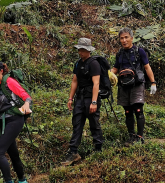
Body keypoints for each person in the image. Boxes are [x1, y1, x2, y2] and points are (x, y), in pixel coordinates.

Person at [61, 37, 104, 166]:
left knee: (94, 123)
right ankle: (73, 152)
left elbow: (96, 83)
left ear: (89, 50)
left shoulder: (94, 64)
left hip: (91, 98)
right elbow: (75, 81)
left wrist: (94, 102)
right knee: (77, 124)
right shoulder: (78, 63)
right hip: (80, 98)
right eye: (79, 49)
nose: (80, 52)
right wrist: (70, 98)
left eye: (83, 50)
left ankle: (98, 149)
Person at [111, 27, 156, 144]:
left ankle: (140, 137)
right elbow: (115, 68)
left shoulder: (139, 51)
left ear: (132, 38)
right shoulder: (120, 54)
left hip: (137, 84)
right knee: (128, 111)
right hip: (123, 85)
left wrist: (153, 83)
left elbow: (147, 67)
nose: (124, 40)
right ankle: (131, 136)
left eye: (126, 37)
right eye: (121, 38)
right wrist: (108, 76)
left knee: (138, 110)